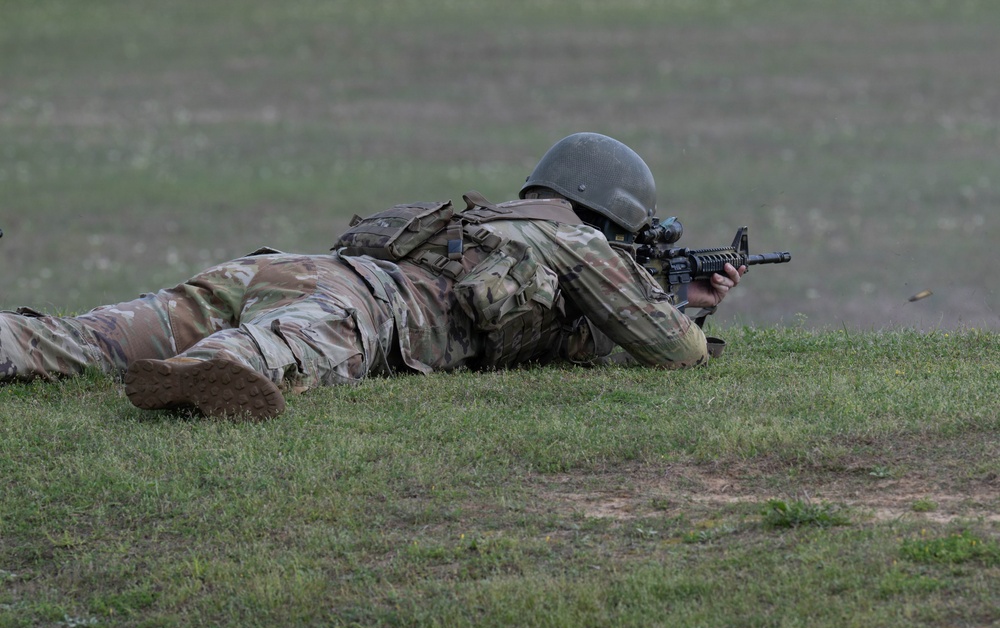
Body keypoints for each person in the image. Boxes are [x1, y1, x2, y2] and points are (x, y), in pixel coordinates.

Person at [0, 132, 745, 420]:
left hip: (280, 268)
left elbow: (565, 336)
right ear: (612, 219)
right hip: (360, 304)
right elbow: (672, 350)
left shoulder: (496, 224)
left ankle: (16, 342)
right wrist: (685, 313)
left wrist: (682, 293)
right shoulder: (576, 240)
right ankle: (210, 370)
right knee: (277, 345)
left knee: (91, 338)